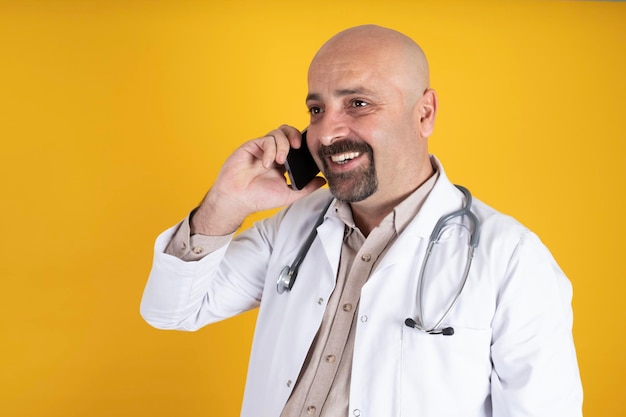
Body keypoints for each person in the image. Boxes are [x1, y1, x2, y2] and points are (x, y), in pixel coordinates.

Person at [141, 25, 583, 417]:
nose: (328, 133)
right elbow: (170, 311)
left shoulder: (512, 260)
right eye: (316, 109)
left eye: (358, 103)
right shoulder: (294, 227)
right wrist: (227, 201)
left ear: (424, 113)